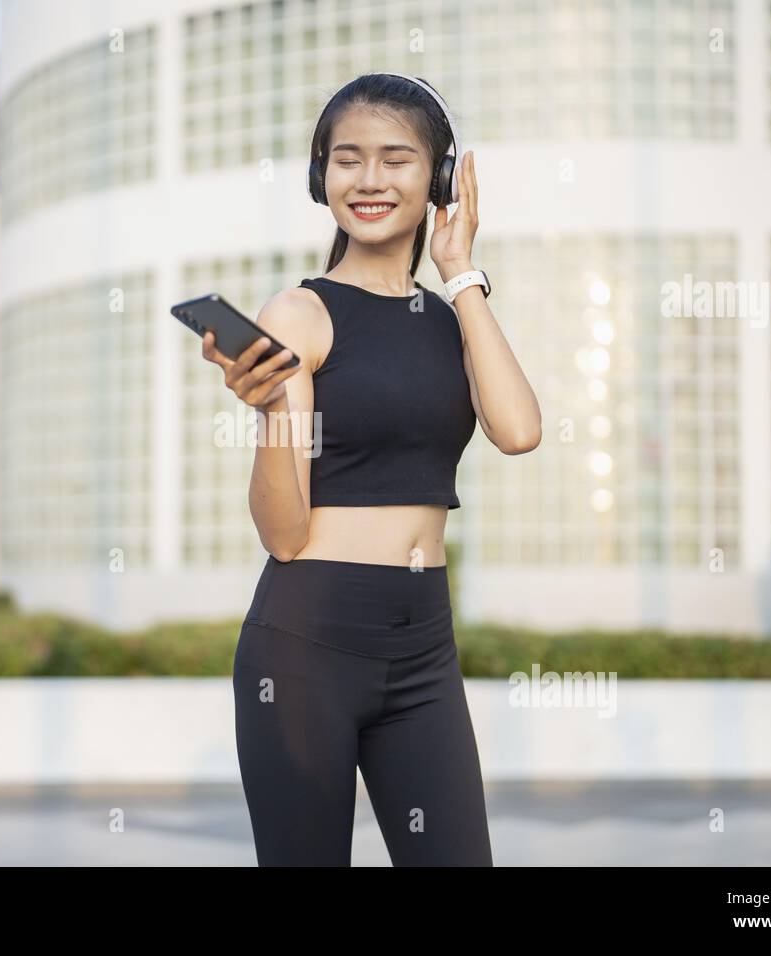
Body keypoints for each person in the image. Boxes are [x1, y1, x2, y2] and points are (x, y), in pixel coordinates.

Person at [200, 73, 542, 866]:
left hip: (425, 645)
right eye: (347, 159)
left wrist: (462, 275)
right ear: (320, 177)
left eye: (397, 159)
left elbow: (519, 430)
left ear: (441, 178)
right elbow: (283, 535)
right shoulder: (300, 315)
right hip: (307, 641)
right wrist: (274, 412)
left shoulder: (452, 317)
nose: (371, 180)